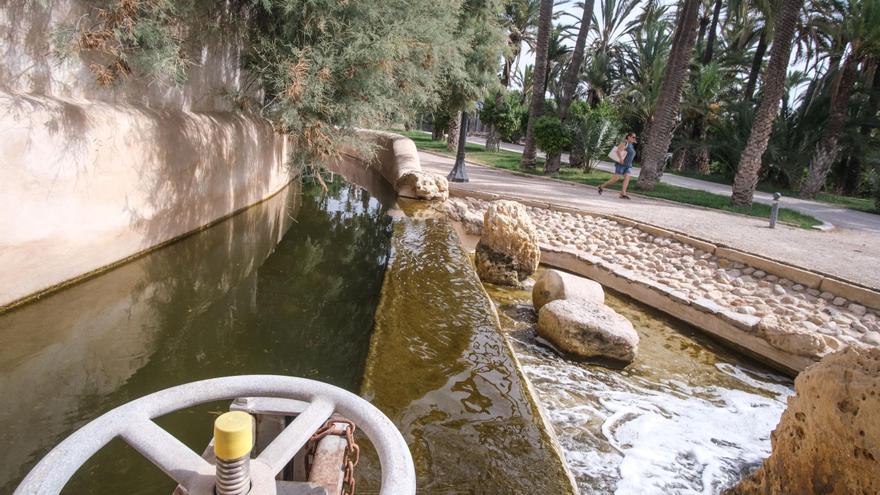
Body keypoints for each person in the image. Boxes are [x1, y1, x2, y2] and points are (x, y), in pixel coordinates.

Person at [598, 132, 637, 199]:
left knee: (627, 178)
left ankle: (623, 193)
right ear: (628, 137)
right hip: (621, 164)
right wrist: (621, 159)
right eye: (633, 137)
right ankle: (601, 186)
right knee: (615, 179)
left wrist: (633, 142)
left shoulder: (631, 144)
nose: (634, 138)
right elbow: (618, 151)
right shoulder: (625, 143)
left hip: (628, 165)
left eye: (635, 137)